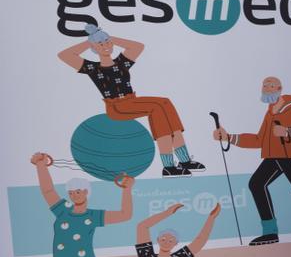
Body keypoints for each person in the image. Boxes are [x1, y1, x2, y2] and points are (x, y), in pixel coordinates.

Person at [58, 24, 202, 177]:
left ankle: (184, 161)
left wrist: (108, 37)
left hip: (131, 101)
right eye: (100, 44)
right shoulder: (92, 68)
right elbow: (64, 55)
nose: (106, 46)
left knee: (165, 102)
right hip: (116, 107)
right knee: (157, 108)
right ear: (93, 47)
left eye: (107, 42)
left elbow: (138, 47)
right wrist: (90, 40)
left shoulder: (121, 63)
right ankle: (168, 165)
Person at [212, 76, 291, 246]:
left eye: (271, 85)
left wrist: (288, 131)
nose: (267, 88)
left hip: (288, 155)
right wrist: (229, 137)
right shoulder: (270, 113)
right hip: (273, 156)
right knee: (256, 184)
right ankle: (270, 232)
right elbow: (259, 140)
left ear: (279, 88)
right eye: (264, 85)